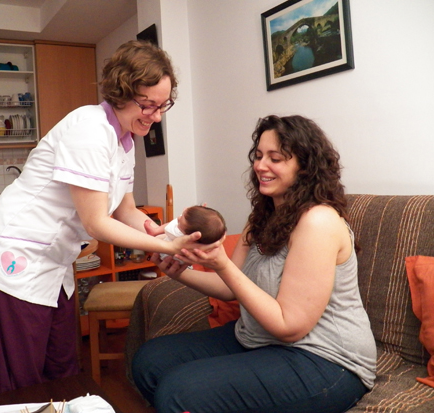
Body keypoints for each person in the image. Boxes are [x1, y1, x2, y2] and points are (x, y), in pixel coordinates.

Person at [0, 40, 217, 398]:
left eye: (163, 106)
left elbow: (125, 211)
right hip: (15, 257)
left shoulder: (126, 140)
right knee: (16, 380)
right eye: (148, 105)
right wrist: (165, 246)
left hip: (53, 263)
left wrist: (163, 234)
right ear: (121, 92)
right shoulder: (88, 129)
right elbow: (97, 223)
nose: (156, 116)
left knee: (61, 367)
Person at [132, 115, 377, 413]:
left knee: (178, 392)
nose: (261, 165)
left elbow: (289, 327)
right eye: (258, 156)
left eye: (275, 158)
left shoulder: (318, 222)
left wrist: (221, 263)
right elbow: (228, 287)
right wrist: (180, 271)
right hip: (259, 339)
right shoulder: (262, 216)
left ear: (305, 166)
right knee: (149, 361)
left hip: (326, 359)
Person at [160, 205, 226, 261]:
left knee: (159, 238)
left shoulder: (179, 236)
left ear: (191, 236)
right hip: (185, 265)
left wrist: (156, 231)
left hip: (168, 258)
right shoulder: (202, 243)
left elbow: (167, 228)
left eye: (180, 224)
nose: (178, 218)